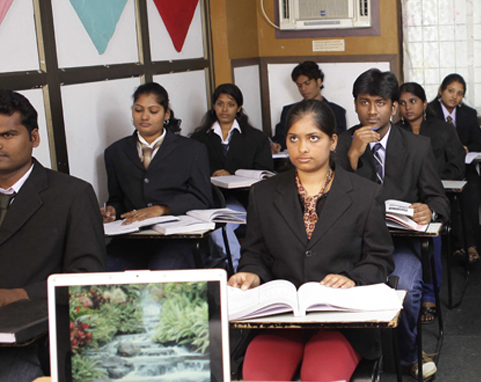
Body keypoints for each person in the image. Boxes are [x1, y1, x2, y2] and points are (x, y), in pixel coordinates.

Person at [230, 99, 394, 382]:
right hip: (280, 321)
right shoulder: (263, 193)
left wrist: (352, 277)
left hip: (341, 322)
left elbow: (379, 259)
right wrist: (251, 274)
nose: (302, 148)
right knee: (259, 377)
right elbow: (254, 253)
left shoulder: (365, 195)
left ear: (333, 142)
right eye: (293, 138)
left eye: (313, 138)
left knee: (320, 377)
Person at [0, 90, 106, 382]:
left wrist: (17, 295)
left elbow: (88, 278)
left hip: (37, 335)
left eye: (7, 135)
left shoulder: (72, 194)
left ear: (34, 137)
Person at [335, 69, 449, 380]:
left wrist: (429, 210)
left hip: (398, 244)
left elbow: (439, 200)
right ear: (355, 105)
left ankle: (409, 355)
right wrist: (354, 157)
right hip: (348, 245)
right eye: (364, 102)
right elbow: (335, 202)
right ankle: (352, 354)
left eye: (380, 103)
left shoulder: (417, 146)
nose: (372, 112)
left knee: (409, 289)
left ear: (394, 107)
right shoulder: (340, 144)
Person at [102, 82, 213, 271]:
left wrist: (161, 209)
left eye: (153, 111)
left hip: (179, 239)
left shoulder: (192, 150)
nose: (144, 117)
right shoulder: (115, 152)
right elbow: (118, 198)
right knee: (105, 268)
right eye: (138, 110)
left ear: (166, 114)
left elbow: (203, 198)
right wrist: (111, 210)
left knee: (164, 270)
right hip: (133, 240)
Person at [397, 82, 464, 324]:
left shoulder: (442, 129)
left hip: (434, 194)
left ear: (425, 104)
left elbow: (457, 162)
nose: (407, 108)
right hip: (404, 200)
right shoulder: (393, 132)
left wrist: (436, 184)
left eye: (413, 101)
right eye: (402, 103)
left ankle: (429, 295)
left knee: (431, 237)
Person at [191, 83, 275, 269]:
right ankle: (234, 265)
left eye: (230, 104)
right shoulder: (199, 139)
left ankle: (234, 264)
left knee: (223, 226)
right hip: (209, 200)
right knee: (217, 225)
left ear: (238, 108)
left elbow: (265, 171)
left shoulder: (256, 138)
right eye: (220, 104)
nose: (225, 109)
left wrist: (232, 172)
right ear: (213, 106)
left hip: (244, 200)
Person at [426, 73, 481, 264]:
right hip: (437, 166)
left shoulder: (468, 114)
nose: (454, 96)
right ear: (440, 91)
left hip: (462, 165)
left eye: (459, 93)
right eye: (450, 91)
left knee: (472, 190)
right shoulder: (429, 111)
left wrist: (464, 149)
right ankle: (453, 243)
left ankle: (470, 244)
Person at [271, 61, 347, 153]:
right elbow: (280, 138)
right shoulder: (289, 111)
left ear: (318, 82)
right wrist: (277, 145)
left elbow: (340, 141)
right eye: (299, 85)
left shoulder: (337, 111)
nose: (303, 89)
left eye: (307, 83)